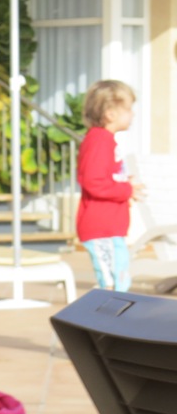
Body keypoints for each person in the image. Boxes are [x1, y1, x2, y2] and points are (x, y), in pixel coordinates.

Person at [76, 79, 143, 291]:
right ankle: (108, 313)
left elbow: (104, 176)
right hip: (102, 227)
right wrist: (127, 190)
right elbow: (93, 181)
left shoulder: (105, 140)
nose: (133, 114)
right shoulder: (99, 141)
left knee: (119, 280)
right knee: (112, 284)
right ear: (110, 114)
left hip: (110, 226)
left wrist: (126, 182)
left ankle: (115, 311)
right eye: (128, 109)